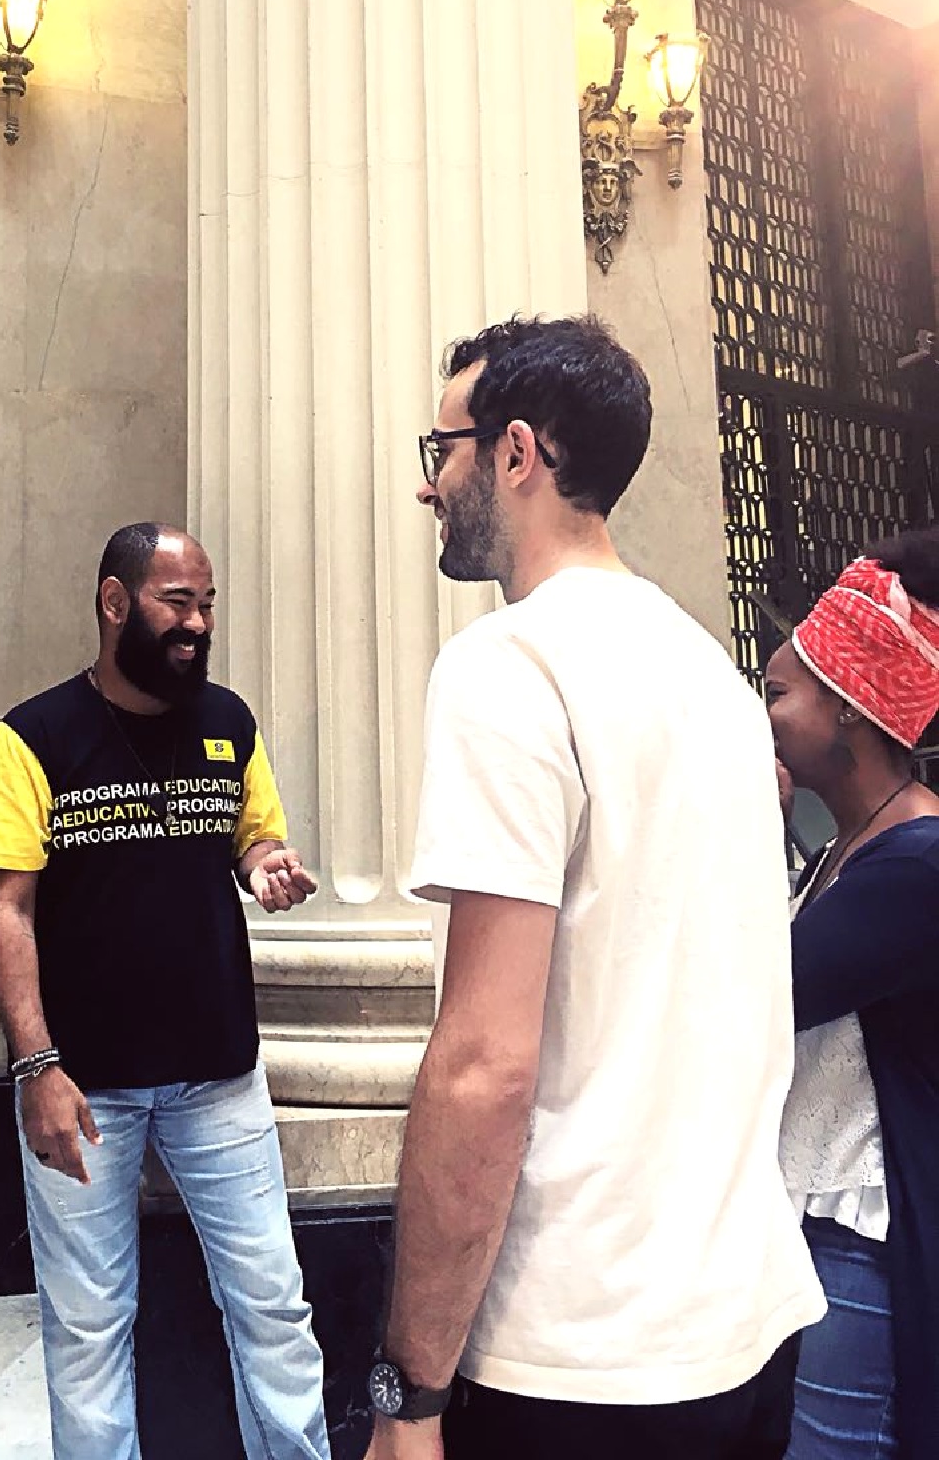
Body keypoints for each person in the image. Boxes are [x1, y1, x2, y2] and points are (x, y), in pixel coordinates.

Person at [365, 315, 824, 1460]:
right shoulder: (715, 679)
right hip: (743, 1325)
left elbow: (484, 1062)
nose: (428, 486)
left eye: (442, 451)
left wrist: (407, 1393)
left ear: (517, 452)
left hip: (577, 1356)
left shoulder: (508, 665)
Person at [0, 522, 330, 1460]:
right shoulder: (33, 737)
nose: (198, 623)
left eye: (207, 604)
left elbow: (251, 837)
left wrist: (266, 864)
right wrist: (36, 1066)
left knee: (273, 1309)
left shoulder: (229, 721)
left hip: (220, 1077)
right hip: (83, 1088)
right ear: (115, 602)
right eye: (177, 603)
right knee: (88, 1329)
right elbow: (8, 909)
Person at [767, 530, 939, 1460]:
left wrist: (741, 821)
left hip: (861, 1244)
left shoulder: (915, 863)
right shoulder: (848, 845)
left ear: (847, 706)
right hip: (813, 1229)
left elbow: (760, 991)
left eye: (778, 694)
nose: (764, 717)